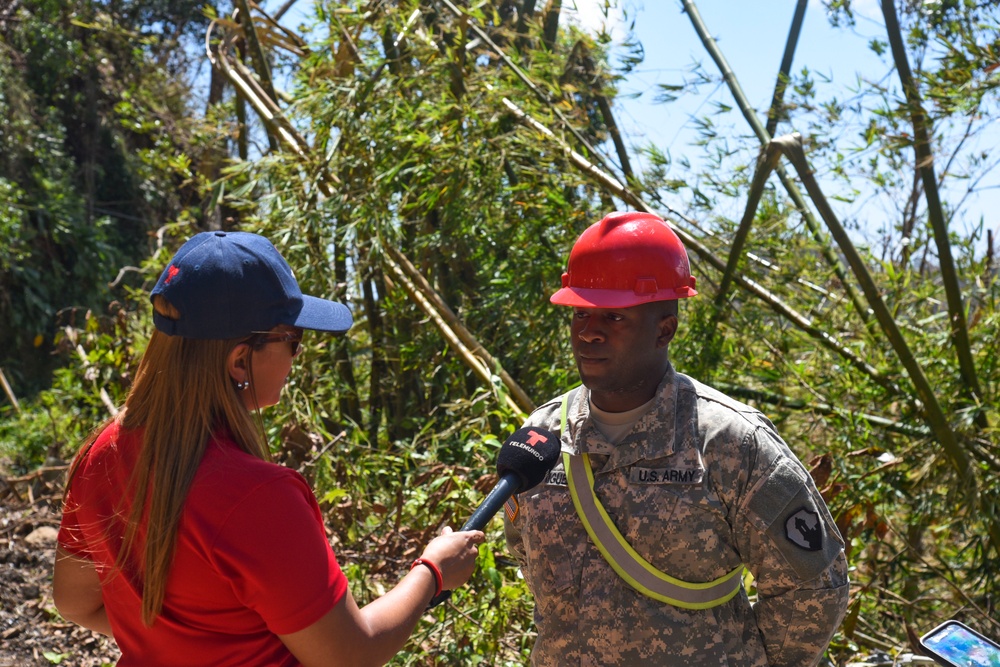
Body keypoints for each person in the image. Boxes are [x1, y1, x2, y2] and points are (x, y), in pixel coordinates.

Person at [53, 231, 485, 667]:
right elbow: (352, 654)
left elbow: (75, 603)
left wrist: (183, 644)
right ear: (240, 360)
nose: (297, 357)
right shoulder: (258, 496)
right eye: (293, 341)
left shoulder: (101, 454)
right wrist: (433, 572)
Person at [504, 211, 850, 666]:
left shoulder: (730, 443)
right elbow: (525, 557)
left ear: (664, 328)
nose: (588, 332)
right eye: (581, 315)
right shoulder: (542, 438)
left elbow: (813, 584)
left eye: (613, 316)